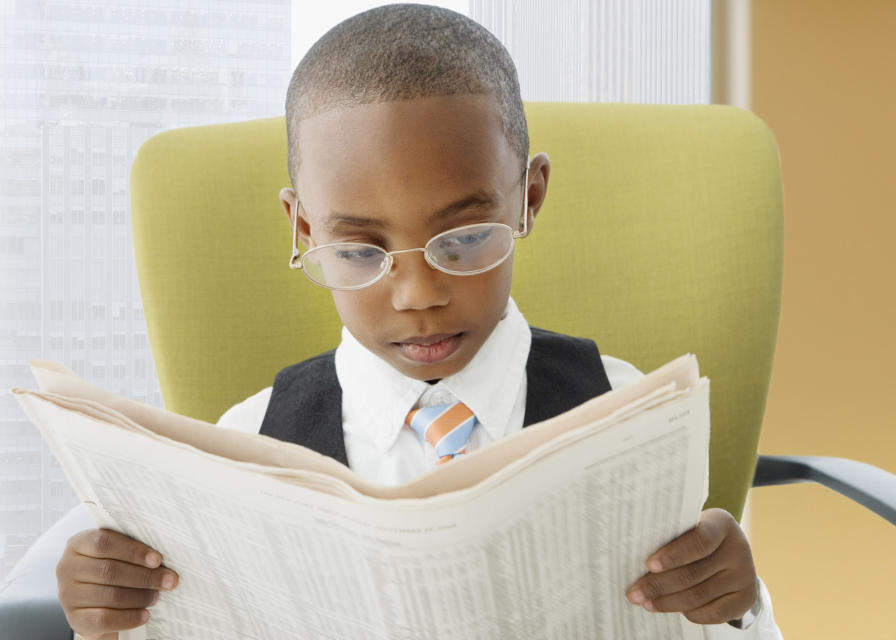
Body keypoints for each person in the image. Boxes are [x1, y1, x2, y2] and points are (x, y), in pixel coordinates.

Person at [55, 4, 783, 639]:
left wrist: (739, 604)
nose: (416, 293)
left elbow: (717, 621)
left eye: (463, 241)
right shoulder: (244, 447)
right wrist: (106, 622)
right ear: (303, 229)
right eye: (360, 250)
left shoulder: (626, 422)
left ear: (528, 198)